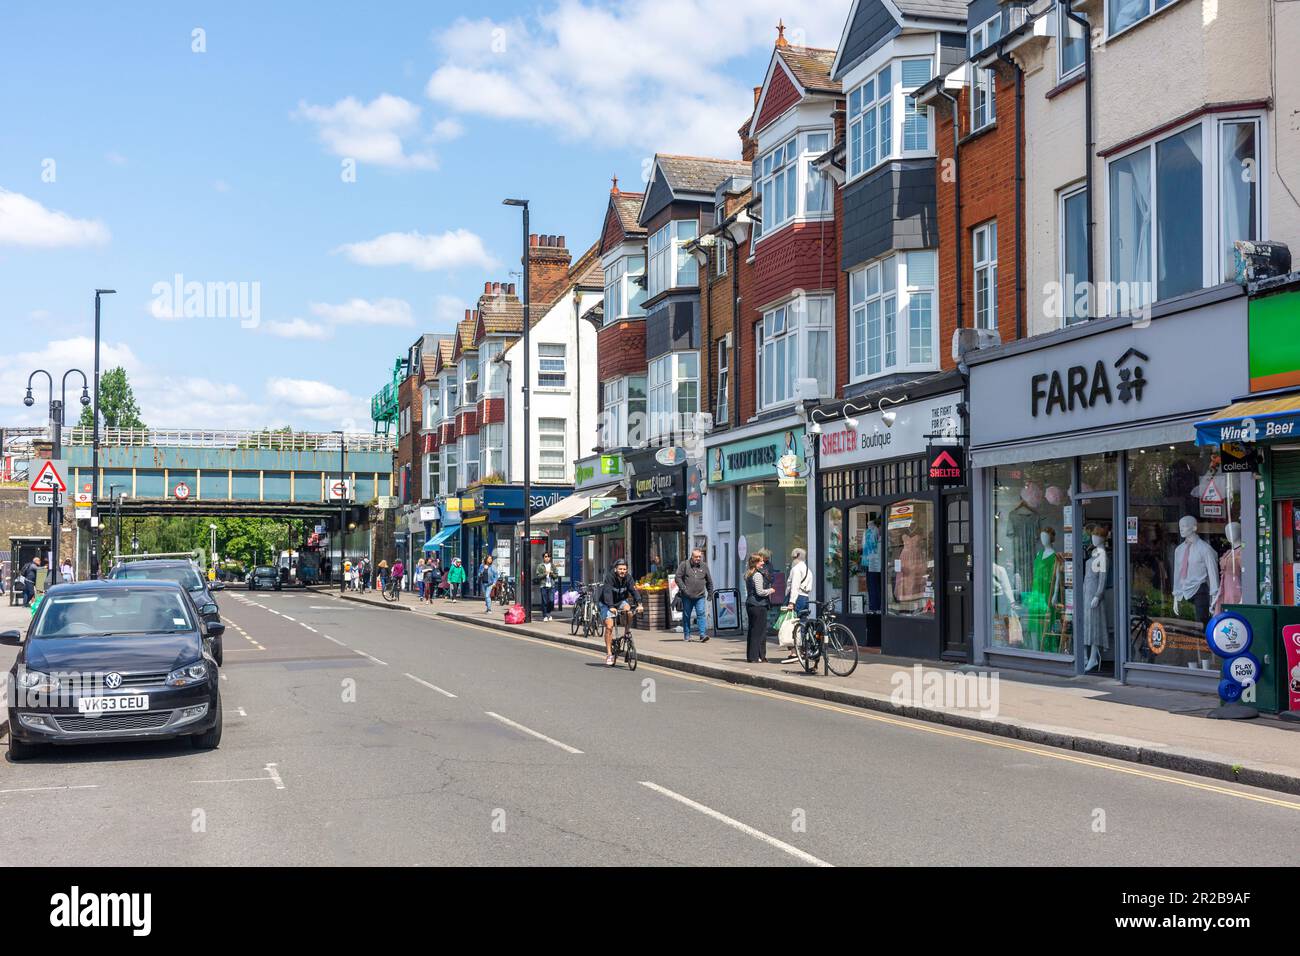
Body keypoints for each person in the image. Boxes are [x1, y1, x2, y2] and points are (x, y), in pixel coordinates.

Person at [599, 558, 643, 667]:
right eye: (620, 569)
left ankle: (627, 631)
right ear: (615, 569)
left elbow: (634, 590)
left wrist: (640, 604)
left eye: (624, 569)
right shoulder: (610, 577)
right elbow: (607, 592)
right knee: (609, 627)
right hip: (606, 603)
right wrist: (611, 606)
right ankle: (609, 654)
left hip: (620, 601)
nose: (622, 571)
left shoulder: (628, 578)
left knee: (629, 610)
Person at [781, 547, 813, 665]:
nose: (792, 559)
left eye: (793, 557)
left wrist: (791, 602)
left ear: (797, 556)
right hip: (805, 597)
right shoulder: (808, 570)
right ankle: (804, 650)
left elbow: (794, 587)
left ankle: (794, 652)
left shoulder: (796, 569)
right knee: (803, 624)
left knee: (790, 624)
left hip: (795, 598)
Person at [674, 547, 713, 643]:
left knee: (701, 614)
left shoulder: (704, 566)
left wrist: (710, 592)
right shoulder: (684, 564)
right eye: (696, 557)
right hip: (687, 596)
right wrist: (683, 588)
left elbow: (709, 581)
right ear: (692, 557)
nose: (698, 558)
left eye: (700, 556)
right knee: (687, 615)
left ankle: (702, 635)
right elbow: (677, 577)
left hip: (700, 595)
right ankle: (687, 635)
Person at [744, 553, 775, 664]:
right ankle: (756, 657)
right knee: (759, 632)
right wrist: (770, 591)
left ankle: (754, 656)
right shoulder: (757, 575)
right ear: (756, 563)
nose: (763, 563)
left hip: (751, 604)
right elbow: (760, 592)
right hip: (759, 605)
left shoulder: (748, 574)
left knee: (753, 631)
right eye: (761, 561)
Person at [537, 551, 559, 622]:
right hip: (543, 586)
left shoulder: (553, 566)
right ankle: (545, 615)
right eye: (545, 556)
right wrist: (545, 573)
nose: (547, 558)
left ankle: (548, 613)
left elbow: (556, 576)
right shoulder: (540, 566)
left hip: (551, 586)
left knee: (551, 601)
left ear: (550, 558)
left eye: (548, 557)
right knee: (545, 602)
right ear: (543, 558)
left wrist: (552, 574)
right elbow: (538, 576)